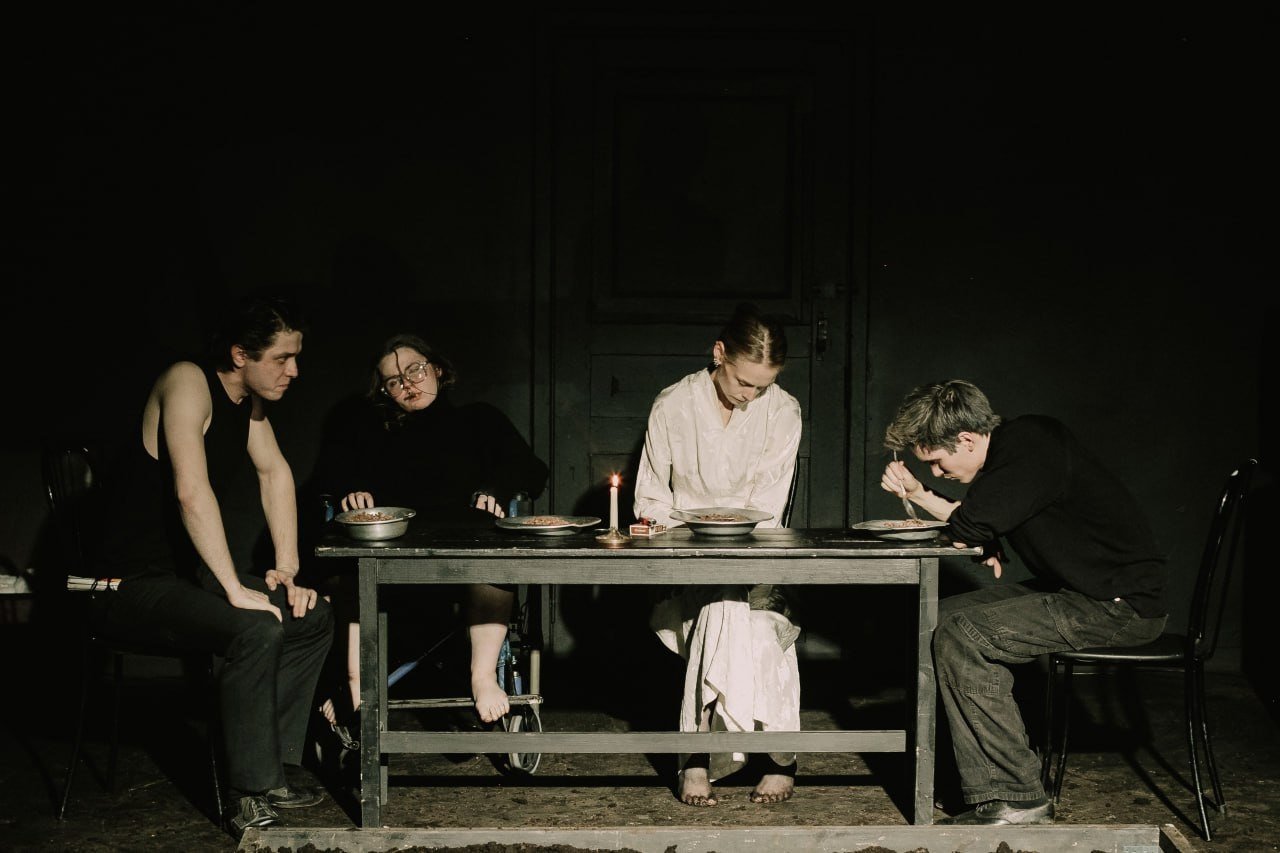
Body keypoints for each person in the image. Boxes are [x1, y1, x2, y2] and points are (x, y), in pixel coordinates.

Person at [90, 292, 334, 838]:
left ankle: (273, 769)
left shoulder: (248, 403)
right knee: (254, 627)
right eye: (282, 358)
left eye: (296, 357)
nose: (294, 371)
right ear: (240, 354)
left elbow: (274, 474)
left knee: (312, 616)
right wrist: (233, 587)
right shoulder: (187, 382)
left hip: (186, 579)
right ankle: (246, 792)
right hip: (127, 583)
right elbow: (190, 492)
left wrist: (287, 570)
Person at [880, 379, 1168, 826]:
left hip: (1119, 606)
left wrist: (938, 507)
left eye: (936, 462)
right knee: (939, 618)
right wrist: (964, 520)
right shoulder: (1017, 449)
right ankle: (975, 777)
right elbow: (981, 522)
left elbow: (968, 528)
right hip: (1078, 592)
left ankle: (1017, 797)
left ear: (967, 439)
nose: (936, 473)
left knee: (963, 635)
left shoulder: (1029, 446)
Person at [311, 332, 548, 734]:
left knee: (494, 561)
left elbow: (530, 468)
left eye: (415, 370)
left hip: (461, 551)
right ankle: (355, 683)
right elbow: (332, 472)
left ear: (437, 369)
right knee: (346, 567)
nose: (408, 384)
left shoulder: (479, 419)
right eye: (394, 380)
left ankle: (482, 676)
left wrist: (496, 489)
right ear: (384, 390)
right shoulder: (369, 430)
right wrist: (351, 487)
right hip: (389, 555)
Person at [633, 303, 804, 807]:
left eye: (763, 386)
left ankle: (696, 755)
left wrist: (733, 542)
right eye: (743, 382)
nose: (751, 395)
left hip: (758, 554)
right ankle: (779, 757)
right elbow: (649, 497)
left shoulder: (783, 411)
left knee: (747, 619)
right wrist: (694, 527)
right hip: (685, 554)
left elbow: (769, 507)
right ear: (719, 353)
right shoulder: (673, 405)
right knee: (722, 607)